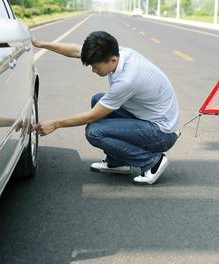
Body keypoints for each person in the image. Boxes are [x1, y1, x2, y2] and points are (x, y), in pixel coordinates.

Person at [32, 31, 179, 185]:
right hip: (149, 119)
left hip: (161, 134)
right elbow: (76, 50)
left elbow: (91, 117)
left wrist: (55, 124)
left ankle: (152, 162)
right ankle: (118, 162)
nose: (93, 71)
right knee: (98, 99)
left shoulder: (127, 79)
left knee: (94, 132)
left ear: (113, 60)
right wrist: (41, 44)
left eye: (96, 67)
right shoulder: (117, 52)